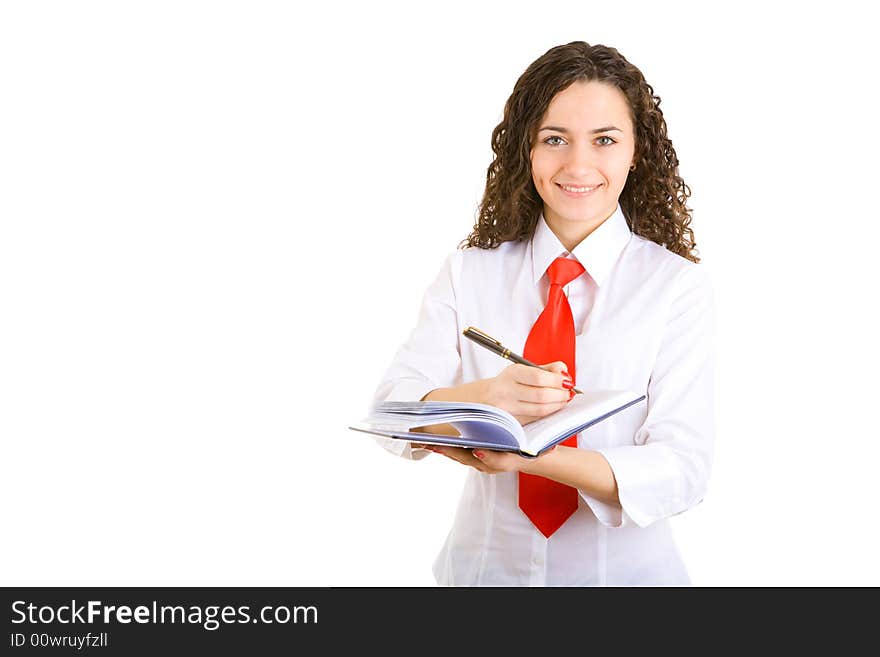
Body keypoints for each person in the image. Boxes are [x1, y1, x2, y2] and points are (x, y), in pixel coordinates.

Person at [370, 41, 714, 586]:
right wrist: (484, 399)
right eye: (554, 139)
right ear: (526, 150)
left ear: (635, 151)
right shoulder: (468, 273)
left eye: (604, 140)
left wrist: (526, 455)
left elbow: (681, 470)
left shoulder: (675, 287)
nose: (578, 165)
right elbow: (391, 413)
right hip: (483, 577)